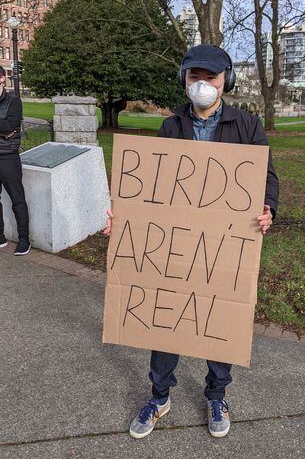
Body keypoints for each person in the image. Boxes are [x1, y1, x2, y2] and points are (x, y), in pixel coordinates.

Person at [103, 44, 279, 438]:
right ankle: (160, 394)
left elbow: (267, 177)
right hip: (174, 247)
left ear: (226, 82)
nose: (203, 85)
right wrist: (125, 217)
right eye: (194, 77)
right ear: (184, 82)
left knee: (219, 316)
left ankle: (217, 394)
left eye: (211, 77)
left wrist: (268, 208)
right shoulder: (171, 126)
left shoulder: (248, 126)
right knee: (166, 315)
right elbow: (150, 184)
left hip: (224, 246)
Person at [0, 66, 31, 255]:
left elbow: (10, 126)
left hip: (7, 157)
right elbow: (4, 128)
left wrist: (6, 129)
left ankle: (24, 240)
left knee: (17, 199)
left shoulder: (13, 102)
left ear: (2, 79)